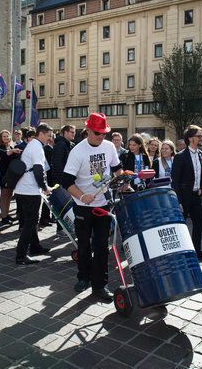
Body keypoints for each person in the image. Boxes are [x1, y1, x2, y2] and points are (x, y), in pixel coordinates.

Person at [62, 113, 123, 301]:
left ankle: (100, 286)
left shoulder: (109, 147)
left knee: (102, 246)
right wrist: (82, 196)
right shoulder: (77, 152)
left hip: (103, 203)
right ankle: (83, 277)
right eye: (97, 133)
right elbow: (66, 181)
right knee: (83, 245)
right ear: (88, 130)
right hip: (83, 206)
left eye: (103, 133)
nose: (101, 137)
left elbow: (117, 168)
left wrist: (121, 180)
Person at [171, 125, 202, 262]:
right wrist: (178, 201)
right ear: (190, 138)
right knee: (181, 225)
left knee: (199, 224)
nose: (201, 138)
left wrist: (201, 187)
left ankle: (197, 251)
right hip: (184, 196)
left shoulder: (201, 154)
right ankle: (180, 253)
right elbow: (175, 180)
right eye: (199, 136)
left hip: (197, 195)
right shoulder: (180, 156)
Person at [14, 124, 53, 265]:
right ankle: (21, 255)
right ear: (41, 134)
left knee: (32, 220)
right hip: (29, 190)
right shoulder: (36, 147)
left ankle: (35, 247)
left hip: (26, 188)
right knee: (31, 223)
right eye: (49, 135)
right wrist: (44, 187)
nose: (50, 139)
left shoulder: (34, 145)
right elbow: (38, 170)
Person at [50, 124, 76, 235]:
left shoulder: (68, 144)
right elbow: (57, 164)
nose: (73, 134)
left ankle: (65, 228)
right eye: (71, 132)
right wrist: (63, 179)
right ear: (64, 132)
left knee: (67, 205)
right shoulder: (61, 144)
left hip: (66, 179)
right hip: (61, 180)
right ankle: (60, 229)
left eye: (74, 132)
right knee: (62, 205)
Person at [0, 130, 16, 226]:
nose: (6, 138)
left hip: (12, 175)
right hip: (4, 174)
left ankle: (7, 214)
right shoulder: (0, 148)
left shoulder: (12, 147)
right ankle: (4, 216)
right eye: (4, 136)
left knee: (9, 195)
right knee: (4, 195)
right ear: (1, 138)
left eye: (7, 136)